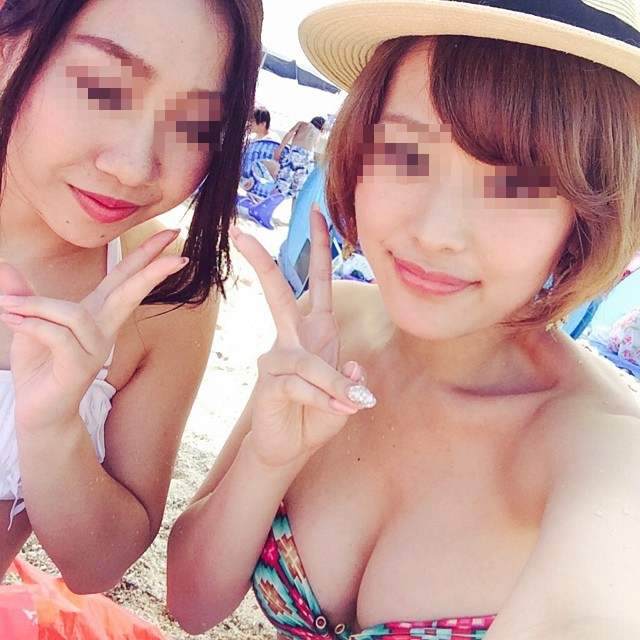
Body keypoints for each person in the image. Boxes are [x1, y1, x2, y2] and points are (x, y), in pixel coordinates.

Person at [167, 1, 640, 638]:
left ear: (586, 215)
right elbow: (191, 604)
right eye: (406, 154)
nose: (436, 231)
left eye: (515, 185)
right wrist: (269, 460)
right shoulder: (334, 327)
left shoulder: (608, 457)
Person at [0, 0, 262, 593]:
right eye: (104, 88)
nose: (135, 166)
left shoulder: (162, 290)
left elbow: (99, 565)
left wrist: (53, 428)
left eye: (196, 126)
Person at [274, 115, 326, 198]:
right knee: (296, 190)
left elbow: (290, 133)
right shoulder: (318, 134)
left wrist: (280, 148)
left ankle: (272, 201)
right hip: (308, 159)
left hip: (295, 154)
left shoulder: (302, 124)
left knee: (282, 184)